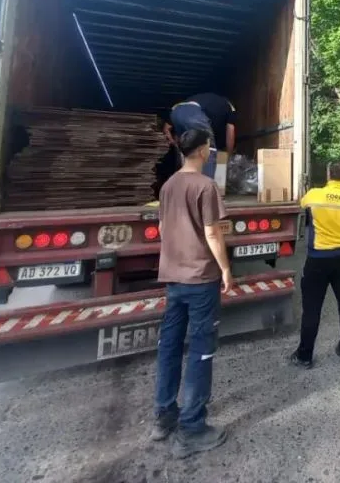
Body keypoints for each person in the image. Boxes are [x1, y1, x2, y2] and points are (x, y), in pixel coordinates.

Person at [151, 128, 234, 455]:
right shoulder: (205, 186)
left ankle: (164, 415)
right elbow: (213, 233)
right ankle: (192, 429)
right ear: (202, 151)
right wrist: (226, 269)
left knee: (169, 345)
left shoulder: (169, 185)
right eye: (209, 147)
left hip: (174, 278)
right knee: (201, 350)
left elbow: (161, 229)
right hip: (201, 279)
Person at [290, 160, 340, 368]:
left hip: (318, 258)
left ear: (328, 174)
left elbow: (300, 207)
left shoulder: (314, 195)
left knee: (312, 308)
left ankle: (304, 356)